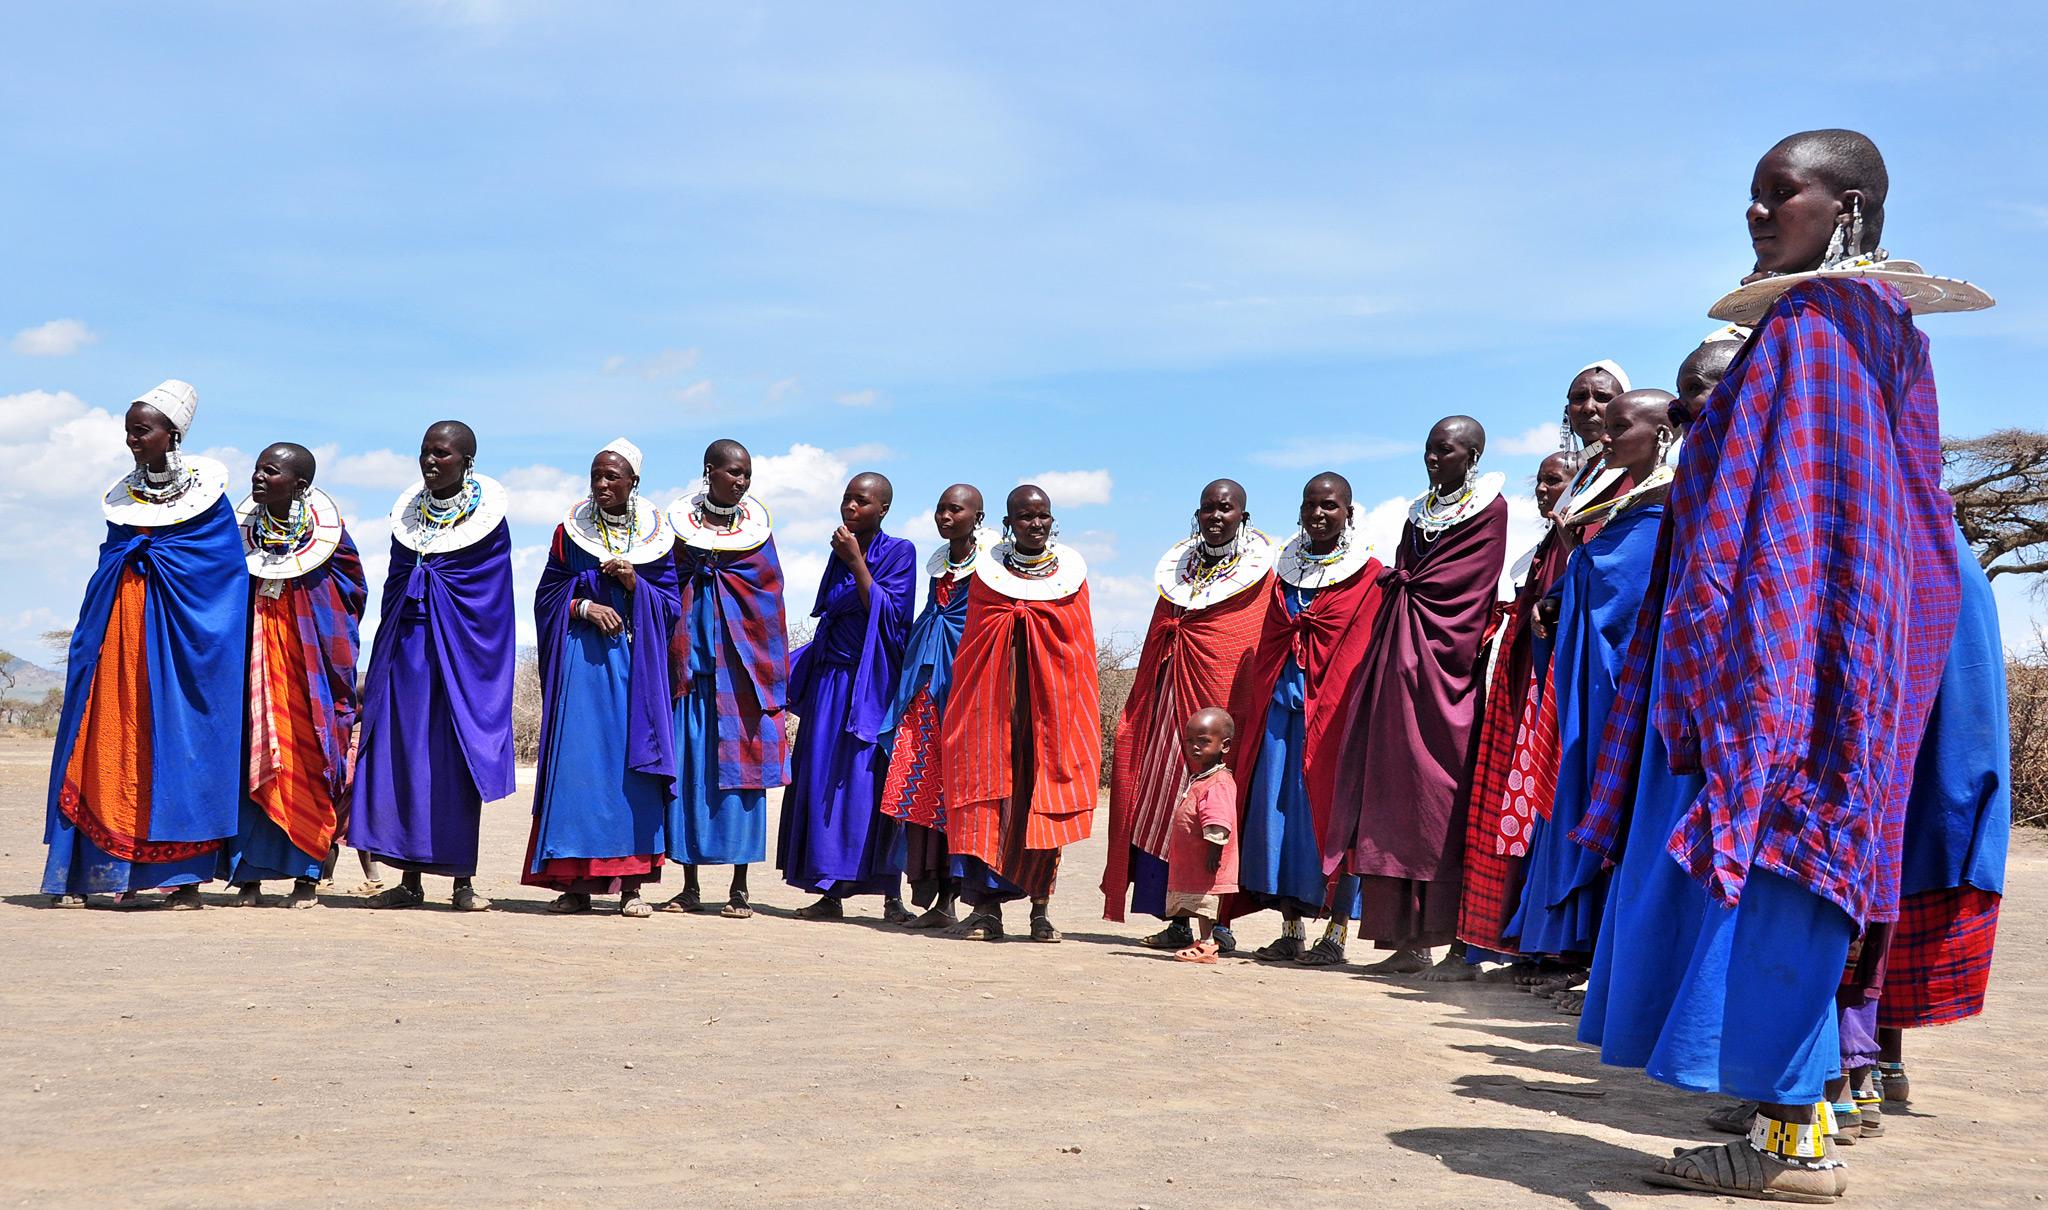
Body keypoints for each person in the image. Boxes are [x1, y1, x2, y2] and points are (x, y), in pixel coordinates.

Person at [1575, 129, 1966, 1202]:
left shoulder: (1813, 329)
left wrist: (1760, 672)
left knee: (1777, 873)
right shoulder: (1877, 331)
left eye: (1776, 196)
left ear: (1844, 207)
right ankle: (1797, 1116)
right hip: (1843, 648)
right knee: (1797, 879)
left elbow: (1792, 515)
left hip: (1785, 649)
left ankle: (1792, 1145)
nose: (1754, 214)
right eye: (1748, 197)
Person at [43, 380, 244, 909]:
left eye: (143, 430)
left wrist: (158, 563)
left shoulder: (209, 503)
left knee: (179, 744)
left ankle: (182, 879)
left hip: (179, 643)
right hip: (119, 634)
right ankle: (103, 871)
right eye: (129, 431)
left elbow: (222, 575)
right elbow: (110, 560)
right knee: (109, 736)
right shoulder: (122, 501)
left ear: (171, 434)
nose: (133, 440)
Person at [1324, 416, 1508, 973]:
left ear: (1472, 454)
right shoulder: (1417, 512)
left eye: (1445, 450)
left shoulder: (1492, 511)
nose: (1433, 459)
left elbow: (1470, 589)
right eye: (1428, 449)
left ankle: (1456, 942)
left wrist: (1413, 600)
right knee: (1394, 795)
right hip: (1398, 663)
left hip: (1443, 674)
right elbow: (1408, 569)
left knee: (1441, 801)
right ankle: (1406, 942)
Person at [1501, 392, 1675, 971]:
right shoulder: (1618, 499)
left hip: (1621, 684)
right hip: (1585, 676)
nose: (1605, 433)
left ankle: (1595, 959)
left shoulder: (1662, 506)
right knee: (1572, 792)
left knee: (1610, 796)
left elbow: (1624, 592)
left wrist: (1585, 567)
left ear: (1661, 433)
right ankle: (1567, 949)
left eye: (1620, 424)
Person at [351, 421, 517, 911]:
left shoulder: (489, 527)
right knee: (402, 761)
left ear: (468, 461)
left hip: (460, 663)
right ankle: (409, 880)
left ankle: (463, 882)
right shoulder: (408, 522)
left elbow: (490, 598)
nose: (430, 462)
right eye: (425, 452)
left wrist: (439, 589)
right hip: (408, 656)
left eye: (442, 454)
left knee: (452, 767)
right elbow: (393, 585)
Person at [1103, 479, 1274, 950]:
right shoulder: (1178, 576)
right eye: (1206, 509)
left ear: (1243, 515)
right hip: (1167, 710)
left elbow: (1247, 646)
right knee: (1160, 807)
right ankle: (1174, 919)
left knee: (1214, 815)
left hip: (1217, 710)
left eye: (1225, 508)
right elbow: (1161, 632)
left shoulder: (1260, 582)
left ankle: (1219, 924)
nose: (1215, 516)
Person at [1227, 472, 1386, 961]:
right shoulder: (1284, 574)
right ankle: (1291, 929)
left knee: (1331, 818)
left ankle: (1335, 934)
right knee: (1275, 819)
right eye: (1310, 505)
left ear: (1349, 513)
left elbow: (1364, 650)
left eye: (1330, 505)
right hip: (1281, 718)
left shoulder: (1369, 575)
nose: (1318, 514)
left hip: (1334, 719)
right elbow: (1273, 641)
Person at [522, 439, 680, 918]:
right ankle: (573, 884)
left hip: (635, 668)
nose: (602, 484)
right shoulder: (568, 534)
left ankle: (632, 884)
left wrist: (637, 586)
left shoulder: (657, 539)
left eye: (613, 476)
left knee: (631, 772)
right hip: (581, 667)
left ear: (634, 482)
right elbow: (546, 597)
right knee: (579, 770)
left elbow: (673, 607)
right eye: (596, 475)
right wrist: (584, 606)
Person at [940, 485, 1100, 943]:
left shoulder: (1071, 578)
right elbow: (974, 645)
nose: (1035, 524)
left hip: (1051, 713)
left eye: (1043, 516)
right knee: (991, 803)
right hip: (992, 710)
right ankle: (987, 910)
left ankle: (1040, 910)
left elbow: (1076, 649)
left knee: (1042, 803)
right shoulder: (987, 578)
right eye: (1025, 517)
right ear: (1008, 524)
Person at [225, 443, 367, 909]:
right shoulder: (239, 534)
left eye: (271, 471)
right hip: (255, 668)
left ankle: (306, 875)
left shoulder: (333, 540)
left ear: (300, 485)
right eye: (256, 469)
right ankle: (248, 875)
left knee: (309, 761)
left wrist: (302, 591)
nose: (259, 478)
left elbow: (350, 593)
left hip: (309, 674)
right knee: (254, 755)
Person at [1453, 449, 1577, 967]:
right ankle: (1504, 942)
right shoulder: (1543, 550)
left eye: (1557, 481)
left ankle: (1544, 949)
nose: (1546, 490)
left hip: (1553, 693)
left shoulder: (1580, 547)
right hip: (1518, 682)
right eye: (1543, 481)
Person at [779, 473, 917, 921]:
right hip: (830, 682)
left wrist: (857, 561)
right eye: (846, 499)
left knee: (869, 782)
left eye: (861, 501)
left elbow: (893, 617)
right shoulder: (840, 550)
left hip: (871, 682)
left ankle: (890, 895)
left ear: (883, 509)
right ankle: (829, 891)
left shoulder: (900, 552)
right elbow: (829, 609)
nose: (851, 507)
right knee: (820, 780)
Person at [662, 439, 790, 918]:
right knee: (688, 776)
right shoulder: (678, 534)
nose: (740, 481)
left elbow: (768, 598)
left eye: (747, 475)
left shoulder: (758, 536)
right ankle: (689, 885)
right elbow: (664, 587)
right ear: (709, 471)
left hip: (741, 681)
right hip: (692, 678)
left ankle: (739, 888)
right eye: (733, 472)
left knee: (742, 779)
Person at [879, 484, 989, 929]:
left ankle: (967, 899)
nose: (945, 516)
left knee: (960, 796)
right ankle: (939, 901)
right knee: (927, 794)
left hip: (967, 691)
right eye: (941, 508)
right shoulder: (938, 566)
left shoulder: (992, 569)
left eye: (955, 509)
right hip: (927, 690)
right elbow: (931, 615)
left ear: (977, 518)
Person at [1166, 707, 1241, 965]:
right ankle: (1203, 941)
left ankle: (1208, 945)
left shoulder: (1218, 782)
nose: (1195, 747)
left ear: (1225, 745)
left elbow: (1219, 821)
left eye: (1204, 741)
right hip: (1198, 861)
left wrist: (1214, 852)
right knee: (1199, 904)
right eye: (1190, 741)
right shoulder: (1202, 778)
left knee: (1205, 904)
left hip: (1207, 861)